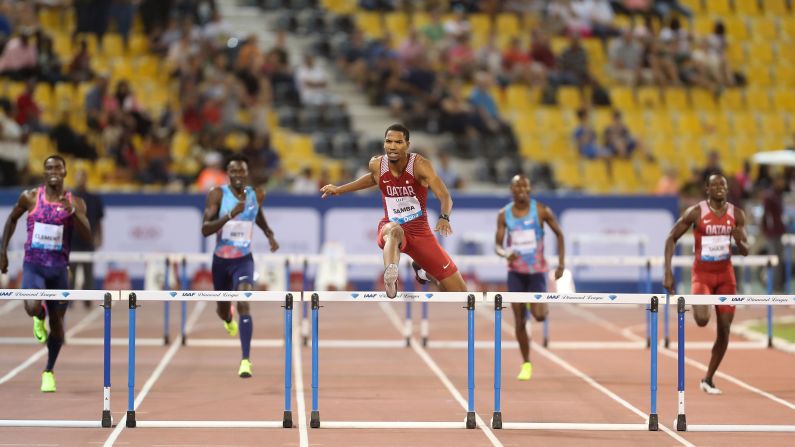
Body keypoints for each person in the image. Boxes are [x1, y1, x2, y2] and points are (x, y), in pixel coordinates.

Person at [320, 123, 467, 298]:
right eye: (388, 141)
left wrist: (444, 217)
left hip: (420, 233)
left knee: (460, 293)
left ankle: (424, 273)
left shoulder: (420, 165)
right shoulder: (376, 164)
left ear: (407, 145)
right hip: (391, 228)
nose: (392, 146)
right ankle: (391, 278)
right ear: (384, 144)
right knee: (394, 230)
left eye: (398, 142)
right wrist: (340, 189)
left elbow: (444, 195)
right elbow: (373, 179)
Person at [0, 155, 92, 392]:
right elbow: (11, 220)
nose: (53, 171)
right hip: (33, 265)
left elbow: (88, 237)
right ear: (44, 173)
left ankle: (48, 370)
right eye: (48, 168)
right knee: (31, 306)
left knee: (59, 325)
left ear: (64, 172)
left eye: (57, 168)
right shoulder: (30, 197)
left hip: (59, 271)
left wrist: (73, 212)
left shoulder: (76, 202)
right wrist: (3, 251)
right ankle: (38, 316)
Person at [664, 174, 749, 395]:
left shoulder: (736, 214)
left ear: (727, 189)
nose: (720, 188)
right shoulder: (696, 212)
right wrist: (668, 273)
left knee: (725, 328)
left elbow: (746, 250)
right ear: (707, 189)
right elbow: (671, 238)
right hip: (702, 275)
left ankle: (708, 378)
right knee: (702, 320)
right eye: (715, 185)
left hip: (725, 276)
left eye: (723, 185)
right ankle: (696, 302)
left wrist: (740, 240)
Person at [201, 154, 279, 378]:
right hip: (221, 262)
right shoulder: (217, 194)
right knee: (222, 310)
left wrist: (269, 234)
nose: (238, 175)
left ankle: (246, 360)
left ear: (247, 173)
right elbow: (205, 229)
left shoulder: (257, 194)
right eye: (233, 172)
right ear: (228, 174)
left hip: (244, 260)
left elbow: (257, 215)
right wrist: (229, 214)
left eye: (241, 172)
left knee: (245, 301)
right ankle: (227, 318)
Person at [494, 174, 565, 381]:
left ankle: (536, 307)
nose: (522, 190)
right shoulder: (504, 214)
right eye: (517, 187)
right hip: (516, 273)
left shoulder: (541, 211)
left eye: (525, 187)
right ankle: (526, 363)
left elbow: (559, 234)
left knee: (539, 316)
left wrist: (561, 264)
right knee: (518, 320)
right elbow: (497, 245)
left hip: (537, 273)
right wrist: (506, 253)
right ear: (512, 190)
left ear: (530, 190)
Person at [69, 168, 104, 308]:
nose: (81, 180)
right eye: (78, 177)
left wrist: (99, 237)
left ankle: (88, 300)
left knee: (88, 273)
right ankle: (69, 300)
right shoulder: (68, 198)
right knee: (71, 273)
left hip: (88, 241)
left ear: (86, 179)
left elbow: (99, 221)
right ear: (75, 179)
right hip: (72, 241)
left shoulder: (94, 199)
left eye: (83, 177)